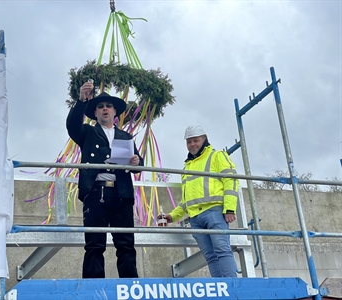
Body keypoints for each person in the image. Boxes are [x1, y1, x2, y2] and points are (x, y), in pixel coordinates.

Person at [66, 81, 143, 278]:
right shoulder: (88, 132)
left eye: (108, 106)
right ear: (96, 113)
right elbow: (72, 125)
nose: (105, 109)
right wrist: (81, 100)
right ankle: (93, 289)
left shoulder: (125, 136)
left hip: (121, 193)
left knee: (126, 244)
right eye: (100, 106)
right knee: (94, 244)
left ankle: (130, 288)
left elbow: (138, 163)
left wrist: (136, 160)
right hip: (96, 192)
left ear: (115, 111)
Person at [159, 124, 239, 277]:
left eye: (195, 140)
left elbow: (231, 180)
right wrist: (173, 216)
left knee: (222, 250)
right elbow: (187, 200)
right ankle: (220, 290)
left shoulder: (217, 156)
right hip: (195, 218)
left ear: (204, 139)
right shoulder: (187, 166)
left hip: (214, 212)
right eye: (189, 142)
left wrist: (229, 209)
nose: (192, 144)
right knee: (210, 256)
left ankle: (232, 287)